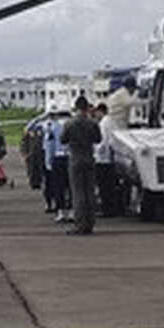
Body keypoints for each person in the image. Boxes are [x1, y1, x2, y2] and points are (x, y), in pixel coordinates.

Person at [61, 96, 102, 235]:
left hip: (76, 158)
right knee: (89, 191)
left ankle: (80, 224)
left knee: (78, 193)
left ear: (76, 107)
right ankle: (90, 223)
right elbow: (98, 139)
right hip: (89, 157)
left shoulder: (70, 123)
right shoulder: (92, 123)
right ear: (86, 108)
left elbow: (63, 139)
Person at [93, 103, 121, 217]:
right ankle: (110, 208)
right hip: (110, 158)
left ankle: (107, 209)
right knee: (110, 186)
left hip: (103, 159)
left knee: (104, 186)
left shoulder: (104, 123)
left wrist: (96, 153)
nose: (95, 115)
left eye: (96, 112)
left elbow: (103, 141)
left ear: (101, 111)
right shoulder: (111, 121)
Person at [43, 111, 71, 220]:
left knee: (59, 186)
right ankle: (72, 210)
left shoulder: (53, 127)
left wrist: (48, 162)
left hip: (58, 159)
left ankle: (61, 212)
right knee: (71, 186)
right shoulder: (72, 124)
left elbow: (49, 145)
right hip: (71, 157)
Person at [20, 123, 44, 191]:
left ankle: (39, 181)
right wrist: (25, 153)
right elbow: (24, 143)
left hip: (40, 153)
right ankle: (34, 183)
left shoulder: (41, 132)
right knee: (32, 168)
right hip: (31, 153)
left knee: (40, 167)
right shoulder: (28, 133)